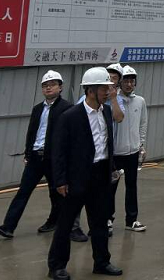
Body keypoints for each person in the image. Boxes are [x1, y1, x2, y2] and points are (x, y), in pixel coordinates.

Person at [47, 67, 123, 279]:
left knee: (99, 222)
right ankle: (56, 266)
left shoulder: (105, 112)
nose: (108, 92)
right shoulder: (70, 116)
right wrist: (60, 181)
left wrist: (111, 169)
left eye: (109, 88)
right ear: (90, 90)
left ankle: (102, 262)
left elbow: (106, 144)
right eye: (104, 89)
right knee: (65, 224)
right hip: (76, 177)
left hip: (100, 174)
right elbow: (59, 151)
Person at [0, 70, 71, 239]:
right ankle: (8, 227)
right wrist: (28, 153)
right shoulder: (37, 109)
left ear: (60, 87)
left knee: (56, 193)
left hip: (53, 158)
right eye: (45, 85)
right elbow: (31, 132)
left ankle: (55, 222)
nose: (48, 88)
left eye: (52, 85)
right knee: (23, 192)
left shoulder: (67, 109)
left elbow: (68, 136)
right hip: (35, 157)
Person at [70, 63, 125, 242]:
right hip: (83, 165)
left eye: (113, 81)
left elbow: (118, 119)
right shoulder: (78, 109)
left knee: (99, 205)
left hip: (102, 164)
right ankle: (72, 229)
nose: (109, 88)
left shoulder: (109, 107)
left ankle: (99, 237)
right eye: (105, 85)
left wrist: (113, 99)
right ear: (91, 89)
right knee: (75, 202)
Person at [113, 65, 148, 233]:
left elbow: (142, 124)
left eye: (131, 81)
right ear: (120, 82)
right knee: (110, 188)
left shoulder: (140, 101)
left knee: (131, 187)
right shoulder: (114, 101)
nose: (129, 84)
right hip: (115, 152)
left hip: (132, 152)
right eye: (125, 81)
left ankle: (131, 220)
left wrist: (141, 145)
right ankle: (108, 219)